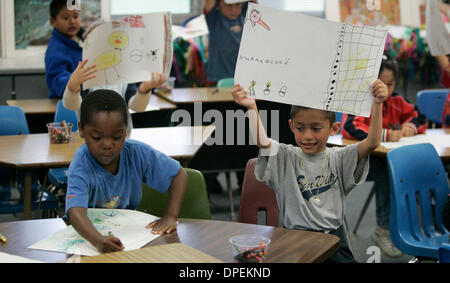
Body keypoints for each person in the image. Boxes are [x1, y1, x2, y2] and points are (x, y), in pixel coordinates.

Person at [232, 78, 388, 262]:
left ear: (333, 128)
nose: (307, 136)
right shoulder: (286, 156)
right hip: (296, 240)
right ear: (291, 126)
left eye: (316, 128)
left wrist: (377, 104)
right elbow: (262, 141)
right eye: (300, 128)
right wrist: (251, 107)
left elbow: (372, 143)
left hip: (333, 239)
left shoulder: (339, 157)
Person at [65, 90, 187, 253]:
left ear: (125, 130)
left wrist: (171, 216)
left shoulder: (137, 153)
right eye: (97, 137)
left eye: (116, 137)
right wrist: (98, 241)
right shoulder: (81, 163)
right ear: (81, 129)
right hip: (88, 239)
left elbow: (179, 175)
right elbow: (75, 211)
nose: (107, 144)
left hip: (128, 236)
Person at [342, 52, 427, 258]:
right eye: (382, 84)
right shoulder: (361, 102)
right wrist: (385, 133)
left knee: (418, 166)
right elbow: (349, 127)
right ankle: (383, 228)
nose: (387, 90)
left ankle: (417, 224)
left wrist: (410, 126)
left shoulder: (398, 100)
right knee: (386, 169)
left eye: (391, 84)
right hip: (367, 163)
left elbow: (419, 116)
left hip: (394, 160)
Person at [203, 0, 256, 85]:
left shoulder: (246, 15)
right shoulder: (214, 19)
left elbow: (254, 5)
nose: (233, 10)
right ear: (219, 4)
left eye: (238, 4)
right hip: (218, 78)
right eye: (228, 5)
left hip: (243, 78)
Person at [45, 0, 84, 99]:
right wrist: (76, 80)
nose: (72, 21)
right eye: (65, 18)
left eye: (75, 16)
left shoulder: (85, 39)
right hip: (65, 104)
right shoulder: (56, 49)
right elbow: (57, 81)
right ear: (52, 22)